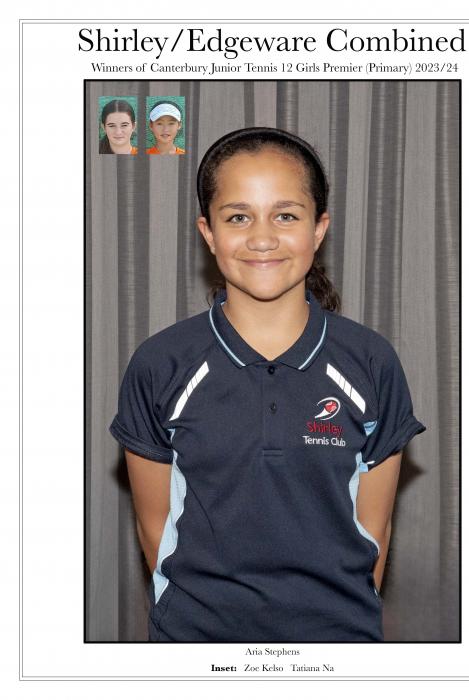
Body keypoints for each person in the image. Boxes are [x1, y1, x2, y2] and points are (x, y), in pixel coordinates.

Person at [109, 126, 426, 642]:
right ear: (208, 232)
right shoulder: (160, 364)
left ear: (319, 229)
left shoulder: (371, 362)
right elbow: (155, 529)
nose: (262, 238)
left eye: (286, 215)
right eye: (238, 217)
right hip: (196, 645)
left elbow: (373, 530)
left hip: (338, 644)